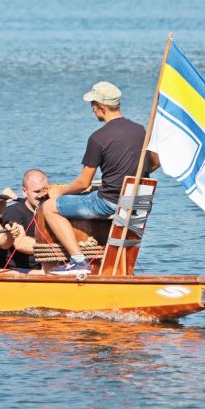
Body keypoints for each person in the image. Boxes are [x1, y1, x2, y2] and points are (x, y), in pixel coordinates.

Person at [40, 81, 158, 275]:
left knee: (49, 208)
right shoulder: (140, 131)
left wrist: (58, 191)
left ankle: (78, 261)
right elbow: (155, 162)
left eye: (93, 106)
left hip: (110, 203)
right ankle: (118, 270)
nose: (92, 110)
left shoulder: (98, 138)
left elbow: (83, 183)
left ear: (101, 107)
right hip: (138, 203)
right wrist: (128, 175)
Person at [0, 169, 48, 273]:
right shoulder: (14, 212)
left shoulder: (50, 212)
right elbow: (21, 243)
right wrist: (56, 248)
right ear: (24, 192)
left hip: (36, 270)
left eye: (44, 191)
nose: (41, 195)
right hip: (8, 269)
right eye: (36, 192)